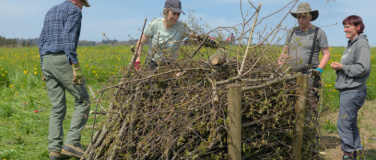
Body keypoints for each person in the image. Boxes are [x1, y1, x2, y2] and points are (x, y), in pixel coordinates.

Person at [38, 0, 91, 159]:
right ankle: (72, 143)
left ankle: (54, 150)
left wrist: (42, 65)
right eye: (83, 5)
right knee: (83, 100)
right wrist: (74, 64)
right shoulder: (74, 11)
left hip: (47, 60)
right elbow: (69, 37)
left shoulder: (51, 10)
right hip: (63, 59)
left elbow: (41, 39)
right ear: (79, 1)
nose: (82, 8)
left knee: (57, 107)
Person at [331, 15, 370, 160]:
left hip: (353, 90)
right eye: (344, 26)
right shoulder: (351, 44)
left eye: (348, 26)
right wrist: (340, 68)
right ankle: (356, 151)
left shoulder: (361, 44)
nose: (344, 29)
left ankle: (348, 153)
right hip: (349, 89)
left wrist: (343, 67)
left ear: (358, 27)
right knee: (350, 122)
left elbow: (363, 68)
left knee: (344, 122)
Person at [278, 2, 330, 104]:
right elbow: (286, 50)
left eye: (304, 17)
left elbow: (326, 53)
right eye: (298, 17)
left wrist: (319, 70)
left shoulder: (318, 32)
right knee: (292, 103)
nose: (301, 19)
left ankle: (311, 120)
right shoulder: (292, 31)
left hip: (310, 75)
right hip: (292, 74)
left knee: (310, 103)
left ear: (310, 17)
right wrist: (280, 63)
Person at [134, 0, 191, 70]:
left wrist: (206, 39)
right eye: (173, 13)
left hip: (171, 65)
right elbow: (140, 43)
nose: (176, 17)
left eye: (178, 14)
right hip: (152, 63)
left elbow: (195, 37)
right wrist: (137, 60)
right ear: (165, 12)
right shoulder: (155, 25)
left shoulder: (182, 27)